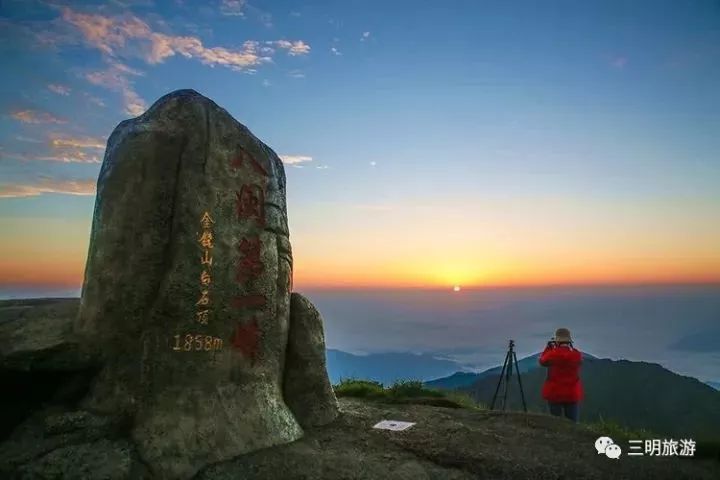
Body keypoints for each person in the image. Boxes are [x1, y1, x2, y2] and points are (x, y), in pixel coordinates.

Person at [539, 327, 583, 422]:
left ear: (557, 341)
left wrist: (548, 348)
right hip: (572, 393)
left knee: (554, 422)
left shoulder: (552, 354)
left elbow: (542, 361)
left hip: (555, 393)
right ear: (569, 341)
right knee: (572, 423)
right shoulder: (577, 355)